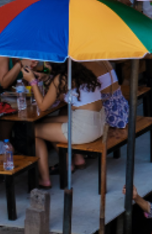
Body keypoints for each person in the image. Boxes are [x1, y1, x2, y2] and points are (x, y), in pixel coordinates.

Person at [26, 60, 118, 188]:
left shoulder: (61, 78)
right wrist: (47, 79)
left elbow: (42, 106)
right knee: (46, 122)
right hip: (98, 124)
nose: (44, 66)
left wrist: (32, 81)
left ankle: (45, 179)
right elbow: (61, 96)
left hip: (84, 129)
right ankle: (74, 161)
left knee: (32, 130)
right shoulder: (81, 72)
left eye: (47, 64)